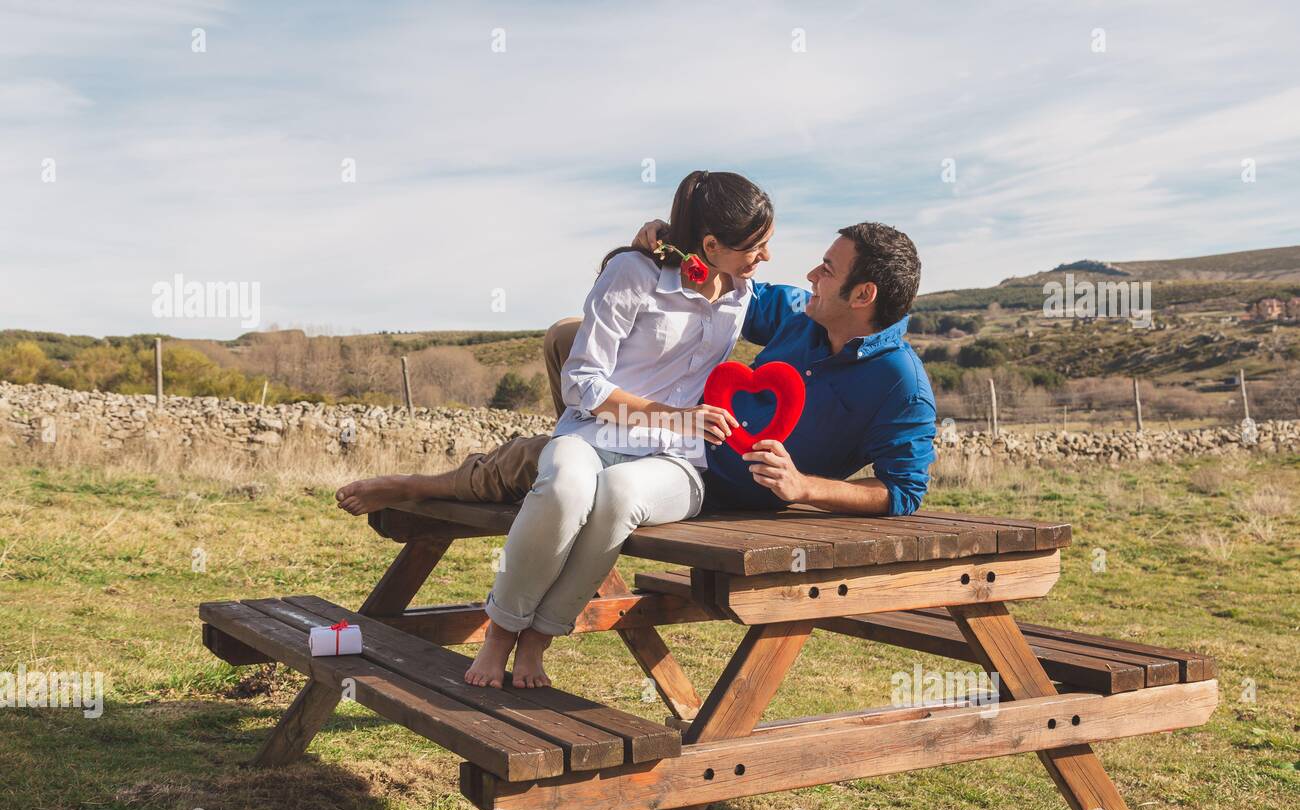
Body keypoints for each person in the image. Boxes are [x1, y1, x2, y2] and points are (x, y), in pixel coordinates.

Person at [338, 215, 937, 681]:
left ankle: (426, 484)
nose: (811, 275)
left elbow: (903, 491)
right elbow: (710, 280)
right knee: (569, 344)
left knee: (541, 462)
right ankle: (576, 438)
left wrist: (805, 487)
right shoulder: (798, 315)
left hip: (703, 480)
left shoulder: (901, 385)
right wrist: (663, 246)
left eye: (827, 270)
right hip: (668, 429)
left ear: (864, 295)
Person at [341, 171, 774, 689]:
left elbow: (819, 308)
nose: (766, 255)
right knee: (564, 485)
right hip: (595, 434)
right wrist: (673, 414)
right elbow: (582, 384)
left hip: (678, 461)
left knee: (617, 496)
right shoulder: (632, 274)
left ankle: (539, 640)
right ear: (710, 244)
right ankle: (500, 633)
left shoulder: (743, 293)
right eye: (757, 245)